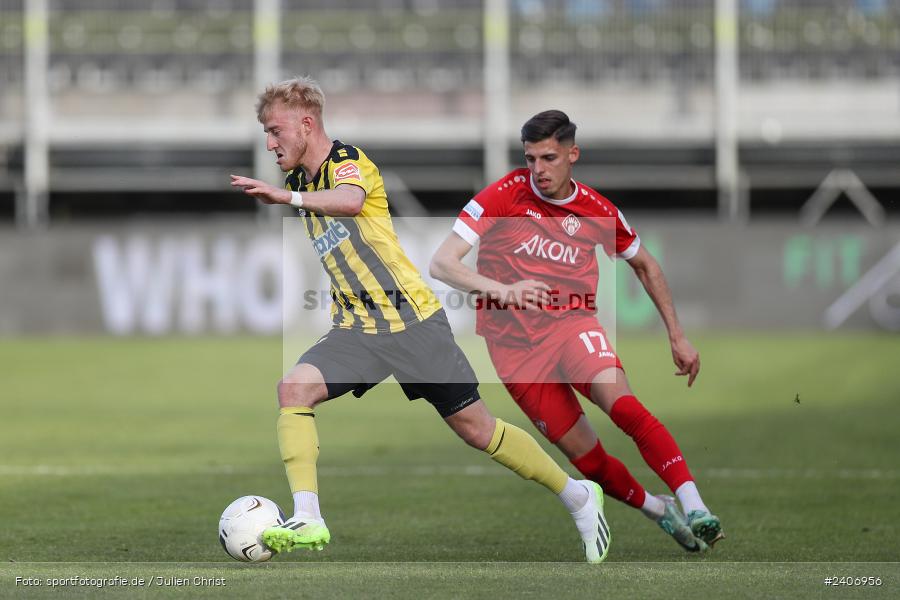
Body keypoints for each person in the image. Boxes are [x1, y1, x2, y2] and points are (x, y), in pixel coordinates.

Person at [229, 79, 612, 563]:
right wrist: (291, 197)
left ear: (307, 124)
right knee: (293, 390)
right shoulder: (300, 183)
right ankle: (309, 516)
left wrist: (286, 202)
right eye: (266, 133)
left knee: (478, 430)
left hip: (411, 321)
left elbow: (349, 200)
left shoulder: (348, 162)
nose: (269, 144)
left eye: (274, 130)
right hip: (358, 330)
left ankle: (578, 496)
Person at [430, 110, 723, 552]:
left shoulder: (597, 210)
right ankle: (657, 509)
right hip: (514, 351)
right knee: (589, 461)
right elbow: (442, 263)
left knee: (623, 408)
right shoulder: (503, 197)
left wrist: (677, 335)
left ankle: (695, 503)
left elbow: (644, 264)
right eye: (530, 159)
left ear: (572, 154)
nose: (538, 170)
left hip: (572, 326)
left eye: (548, 158)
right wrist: (503, 291)